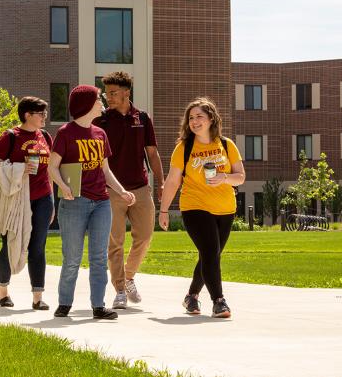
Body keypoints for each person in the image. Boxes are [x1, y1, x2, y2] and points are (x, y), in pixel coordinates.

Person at [48, 84, 136, 320]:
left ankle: (98, 306)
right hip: (75, 202)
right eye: (98, 99)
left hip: (101, 203)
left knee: (98, 258)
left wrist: (121, 191)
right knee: (73, 258)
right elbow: (52, 166)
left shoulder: (100, 134)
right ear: (86, 104)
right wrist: (64, 187)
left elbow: (105, 170)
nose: (102, 102)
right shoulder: (66, 133)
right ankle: (64, 303)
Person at [158, 97, 245, 318]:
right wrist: (164, 210)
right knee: (209, 252)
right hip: (195, 206)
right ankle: (219, 301)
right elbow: (172, 181)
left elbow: (241, 177)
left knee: (211, 255)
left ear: (211, 119)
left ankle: (192, 296)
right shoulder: (184, 148)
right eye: (191, 117)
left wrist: (225, 177)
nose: (194, 121)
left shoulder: (226, 145)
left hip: (226, 208)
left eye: (199, 117)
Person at [93, 71, 164, 309]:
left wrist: (161, 183)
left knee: (144, 236)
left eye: (113, 93)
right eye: (106, 93)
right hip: (112, 190)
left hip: (141, 188)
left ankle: (129, 275)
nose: (108, 97)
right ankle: (120, 290)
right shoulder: (100, 121)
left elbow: (152, 154)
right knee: (115, 242)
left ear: (126, 92)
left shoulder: (142, 118)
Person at [0, 96, 54, 310]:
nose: (45, 117)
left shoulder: (45, 137)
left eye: (45, 113)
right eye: (40, 113)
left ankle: (37, 297)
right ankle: (3, 290)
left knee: (38, 247)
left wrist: (51, 201)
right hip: (15, 199)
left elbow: (49, 170)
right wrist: (17, 169)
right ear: (27, 115)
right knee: (10, 244)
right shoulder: (10, 137)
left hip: (43, 197)